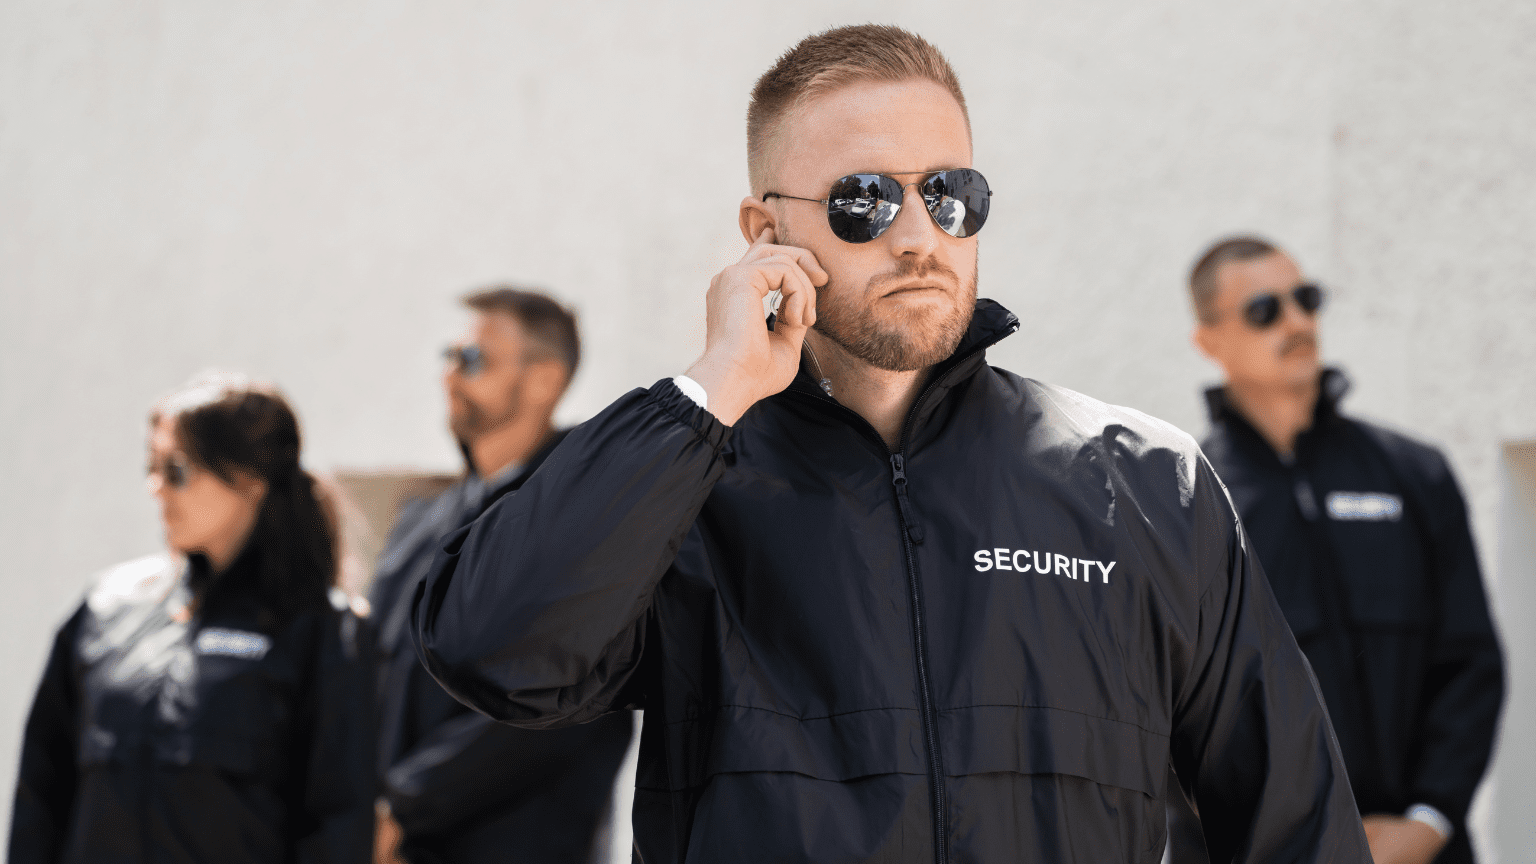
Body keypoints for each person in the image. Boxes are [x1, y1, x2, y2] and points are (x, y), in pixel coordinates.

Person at [413, 26, 1372, 862]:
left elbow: (1296, 823)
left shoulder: (1145, 483)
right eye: (865, 199)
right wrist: (712, 388)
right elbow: (495, 651)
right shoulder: (688, 485)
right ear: (765, 232)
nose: (920, 235)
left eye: (952, 194)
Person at [1190, 236, 1504, 864]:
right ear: (1211, 341)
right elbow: (1181, 701)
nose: (1298, 322)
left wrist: (1428, 820)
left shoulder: (1414, 474)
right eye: (1265, 310)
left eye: (1306, 300)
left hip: (1422, 850)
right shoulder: (1188, 498)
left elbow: (1470, 662)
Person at [9, 373, 373, 864]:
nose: (157, 489)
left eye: (176, 471)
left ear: (246, 481)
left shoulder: (323, 633)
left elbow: (337, 824)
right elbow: (41, 796)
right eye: (150, 469)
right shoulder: (104, 610)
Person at [370, 287, 634, 864]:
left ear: (543, 381)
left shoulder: (582, 511)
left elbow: (553, 698)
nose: (448, 376)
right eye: (447, 356)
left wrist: (403, 806)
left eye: (471, 360)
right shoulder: (422, 521)